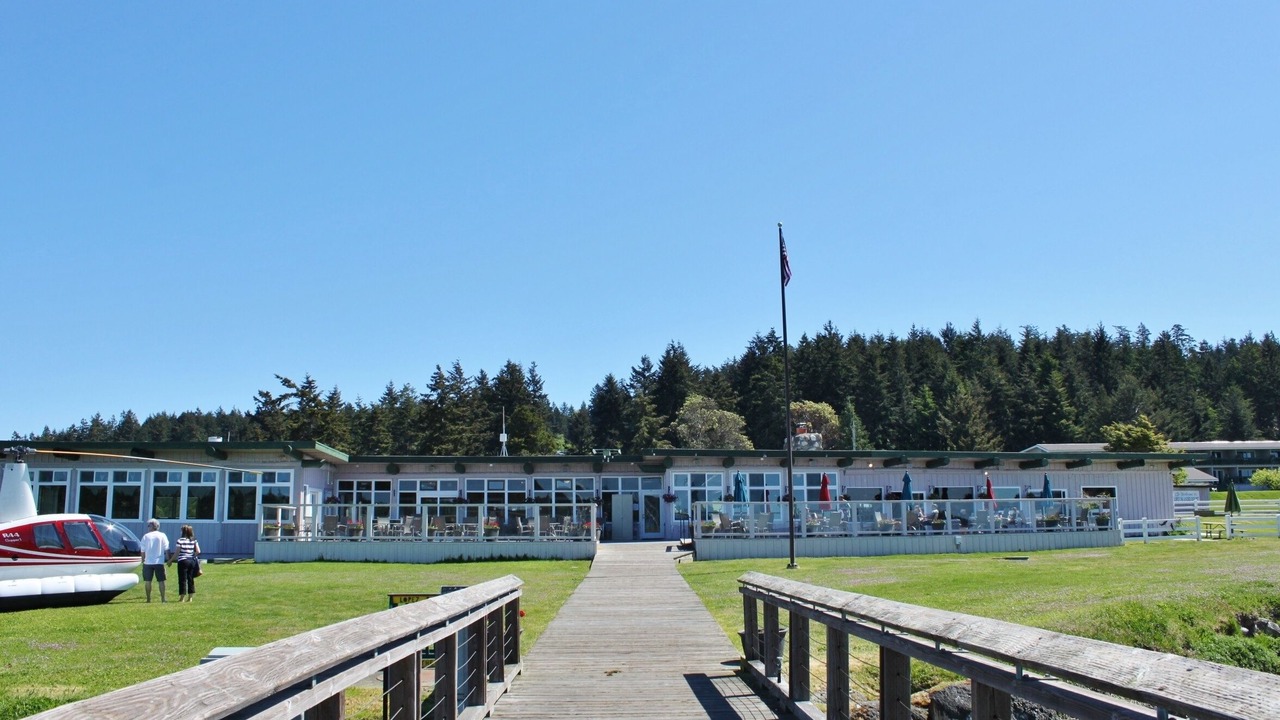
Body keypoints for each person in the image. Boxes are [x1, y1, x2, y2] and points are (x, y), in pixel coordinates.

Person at [168, 524, 201, 603]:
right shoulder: (193, 540)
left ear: (183, 531)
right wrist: (192, 556)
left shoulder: (180, 540)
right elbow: (198, 551)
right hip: (191, 561)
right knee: (190, 579)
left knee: (182, 579)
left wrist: (170, 560)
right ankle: (190, 598)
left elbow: (177, 553)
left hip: (183, 561)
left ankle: (182, 597)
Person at [139, 518, 169, 603]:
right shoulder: (162, 535)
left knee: (148, 581)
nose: (148, 527)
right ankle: (163, 598)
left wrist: (143, 560)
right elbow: (167, 548)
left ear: (152, 526)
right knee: (161, 580)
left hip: (148, 562)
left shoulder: (146, 536)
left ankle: (148, 599)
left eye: (149, 525)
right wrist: (169, 559)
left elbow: (142, 550)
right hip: (159, 561)